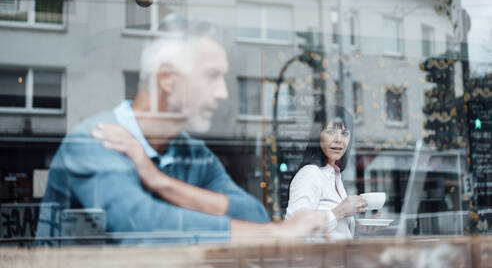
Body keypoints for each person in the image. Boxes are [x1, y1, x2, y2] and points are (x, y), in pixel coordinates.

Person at [36, 18, 328, 245]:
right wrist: (273, 236)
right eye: (212, 76)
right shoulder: (94, 139)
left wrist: (158, 180)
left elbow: (252, 214)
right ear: (166, 79)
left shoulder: (192, 152)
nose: (223, 93)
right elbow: (141, 226)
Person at [286, 106, 367, 240]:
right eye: (331, 132)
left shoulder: (335, 176)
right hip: (319, 261)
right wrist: (340, 211)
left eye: (345, 134)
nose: (339, 139)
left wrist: (360, 228)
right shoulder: (310, 174)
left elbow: (335, 233)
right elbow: (295, 229)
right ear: (318, 135)